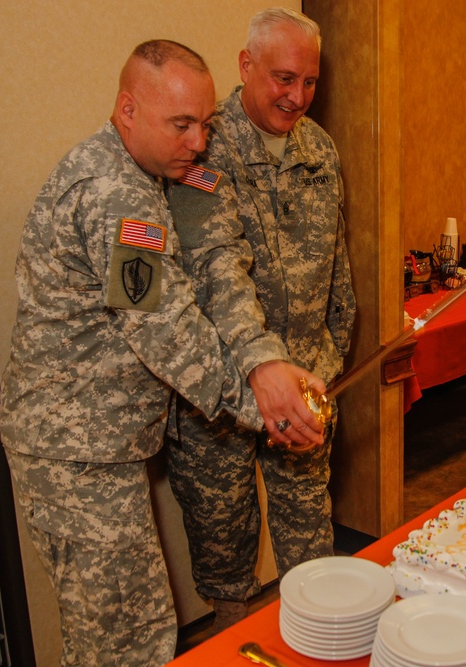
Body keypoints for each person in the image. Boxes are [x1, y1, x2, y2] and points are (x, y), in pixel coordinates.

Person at [0, 40, 322, 665]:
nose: (199, 142)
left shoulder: (149, 177)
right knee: (124, 642)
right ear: (127, 111)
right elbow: (163, 328)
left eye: (205, 124)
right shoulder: (116, 197)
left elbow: (213, 264)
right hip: (75, 454)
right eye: (181, 124)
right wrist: (264, 404)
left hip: (98, 446)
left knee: (127, 631)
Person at [165, 8, 355, 630]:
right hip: (223, 396)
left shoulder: (320, 150)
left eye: (308, 81)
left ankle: (319, 638)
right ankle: (233, 638)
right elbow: (216, 266)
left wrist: (330, 356)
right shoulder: (202, 148)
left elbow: (337, 268)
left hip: (304, 386)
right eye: (282, 78)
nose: (296, 96)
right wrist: (260, 366)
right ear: (245, 66)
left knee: (311, 542)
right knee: (224, 553)